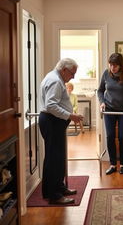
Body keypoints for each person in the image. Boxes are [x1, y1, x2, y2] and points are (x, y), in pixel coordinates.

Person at [39, 58, 83, 204]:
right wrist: (71, 115)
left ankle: (59, 187)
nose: (73, 77)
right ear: (64, 70)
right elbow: (50, 106)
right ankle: (54, 195)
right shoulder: (55, 81)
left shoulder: (55, 78)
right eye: (72, 73)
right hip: (51, 122)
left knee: (57, 158)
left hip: (54, 122)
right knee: (53, 159)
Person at [97, 53, 123, 175]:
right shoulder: (106, 74)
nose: (112, 68)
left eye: (115, 65)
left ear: (121, 65)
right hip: (109, 109)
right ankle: (113, 164)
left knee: (122, 137)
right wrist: (102, 102)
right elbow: (100, 90)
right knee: (110, 136)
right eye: (110, 65)